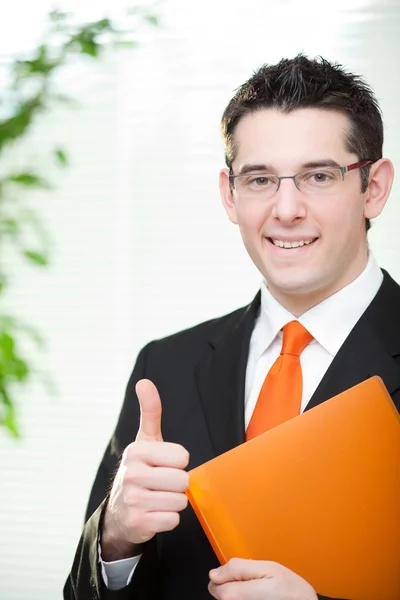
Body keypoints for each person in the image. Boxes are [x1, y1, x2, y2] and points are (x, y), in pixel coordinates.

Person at [64, 54, 398, 600]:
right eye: (260, 179)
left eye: (318, 175)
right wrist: (115, 540)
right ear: (229, 194)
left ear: (374, 187)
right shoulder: (164, 367)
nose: (286, 209)